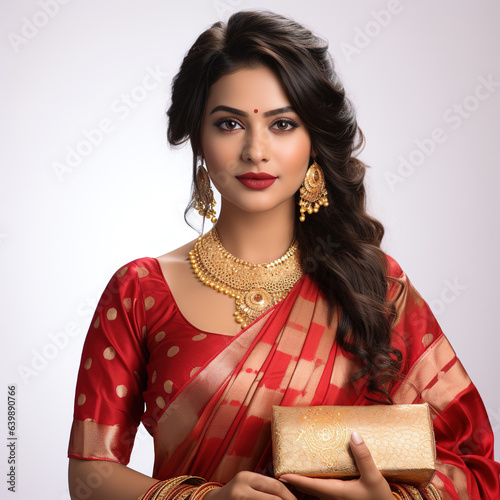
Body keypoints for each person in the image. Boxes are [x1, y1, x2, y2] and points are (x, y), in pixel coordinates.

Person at [67, 10, 500, 500]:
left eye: (283, 124)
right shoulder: (139, 291)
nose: (256, 149)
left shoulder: (373, 287)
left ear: (313, 141)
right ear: (198, 137)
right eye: (229, 123)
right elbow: (89, 477)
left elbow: (473, 463)